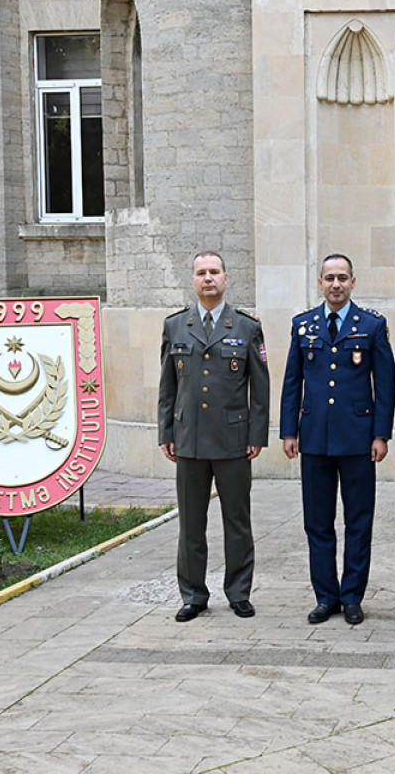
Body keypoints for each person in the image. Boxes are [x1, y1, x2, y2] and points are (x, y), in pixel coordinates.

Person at [280, 253, 395, 625]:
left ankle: (352, 597)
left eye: (342, 278)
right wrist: (288, 431)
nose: (336, 284)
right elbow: (292, 382)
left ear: (353, 282)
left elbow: (385, 384)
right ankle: (326, 596)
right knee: (317, 523)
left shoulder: (372, 325)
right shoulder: (303, 325)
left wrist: (381, 434)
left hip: (358, 440)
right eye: (329, 278)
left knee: (359, 521)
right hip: (315, 440)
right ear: (320, 282)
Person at [158, 251, 270, 622]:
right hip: (188, 440)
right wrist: (166, 431)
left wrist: (257, 434)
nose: (208, 278)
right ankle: (193, 595)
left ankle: (239, 593)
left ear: (225, 277)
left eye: (214, 272)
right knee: (191, 523)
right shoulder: (176, 326)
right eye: (201, 272)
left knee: (237, 522)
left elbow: (260, 386)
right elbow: (167, 386)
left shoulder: (246, 327)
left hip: (233, 440)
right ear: (193, 280)